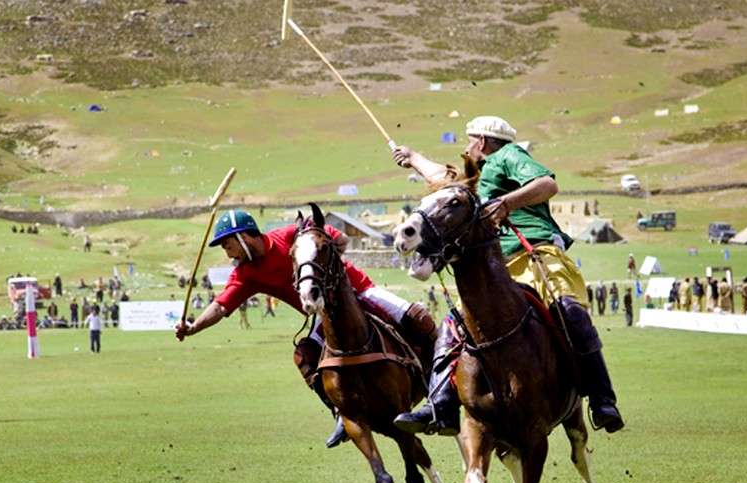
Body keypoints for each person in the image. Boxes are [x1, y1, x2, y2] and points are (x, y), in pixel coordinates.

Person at [390, 114, 623, 433]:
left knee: (569, 311)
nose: (467, 146)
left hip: (535, 252)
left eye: (469, 140)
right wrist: (413, 157)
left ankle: (601, 399)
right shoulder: (473, 178)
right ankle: (439, 406)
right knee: (453, 326)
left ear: (482, 141)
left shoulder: (507, 156)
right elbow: (440, 177)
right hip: (493, 267)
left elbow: (547, 184)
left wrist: (506, 203)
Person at [174, 209, 438, 448]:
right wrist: (194, 326)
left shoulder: (291, 235)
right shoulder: (246, 274)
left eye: (228, 245)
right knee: (305, 356)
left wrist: (330, 273)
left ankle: (442, 393)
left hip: (360, 288)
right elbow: (220, 307)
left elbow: (341, 239)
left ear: (244, 237)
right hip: (327, 315)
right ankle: (341, 413)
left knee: (417, 318)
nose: (228, 253)